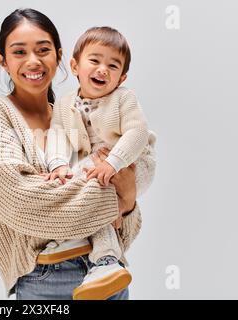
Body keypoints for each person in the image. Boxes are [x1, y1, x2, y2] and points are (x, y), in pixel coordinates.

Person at [0, 8, 141, 300]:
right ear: (3, 61)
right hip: (45, 280)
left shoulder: (79, 114)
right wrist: (121, 195)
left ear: (60, 56)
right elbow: (22, 203)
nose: (33, 61)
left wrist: (126, 204)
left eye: (43, 50)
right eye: (19, 52)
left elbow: (123, 231)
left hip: (109, 274)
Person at [39, 26, 157, 299]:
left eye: (112, 65)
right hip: (97, 162)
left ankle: (104, 260)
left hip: (135, 162)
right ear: (75, 65)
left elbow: (137, 133)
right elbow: (56, 135)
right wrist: (57, 164)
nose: (103, 69)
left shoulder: (123, 98)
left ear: (122, 76)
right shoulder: (65, 103)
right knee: (79, 181)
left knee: (92, 183)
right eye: (95, 60)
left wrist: (113, 163)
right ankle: (102, 260)